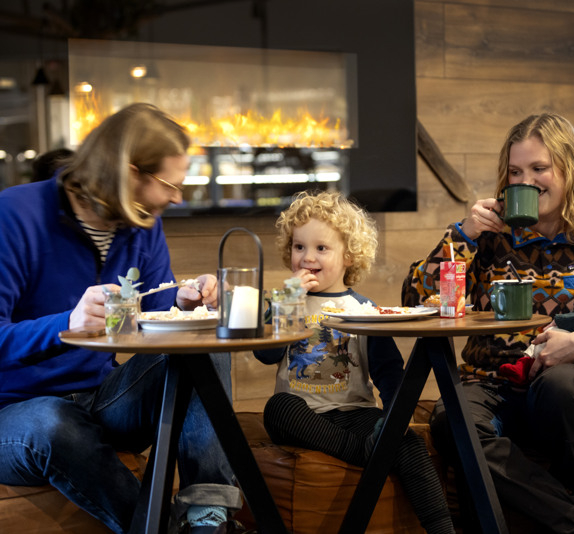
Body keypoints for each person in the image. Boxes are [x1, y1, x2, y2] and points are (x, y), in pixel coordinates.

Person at [0, 103, 251, 534]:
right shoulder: (14, 216)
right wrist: (67, 327)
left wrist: (186, 302)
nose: (177, 198)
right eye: (171, 185)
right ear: (130, 173)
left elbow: (155, 309)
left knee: (203, 341)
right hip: (18, 414)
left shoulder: (143, 223)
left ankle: (207, 516)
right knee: (52, 422)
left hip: (102, 398)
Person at [401, 112, 574, 534]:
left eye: (538, 168)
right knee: (451, 420)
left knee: (562, 386)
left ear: (570, 170)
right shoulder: (488, 236)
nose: (524, 181)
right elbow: (415, 300)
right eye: (515, 171)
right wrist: (463, 234)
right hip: (492, 383)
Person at [254, 190, 455, 534]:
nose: (307, 257)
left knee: (405, 440)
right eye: (299, 247)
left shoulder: (363, 309)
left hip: (356, 413)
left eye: (321, 248)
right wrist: (288, 303)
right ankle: (366, 453)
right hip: (305, 417)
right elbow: (266, 354)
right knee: (277, 408)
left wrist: (395, 420)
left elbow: (388, 371)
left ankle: (443, 529)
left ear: (348, 256)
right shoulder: (286, 304)